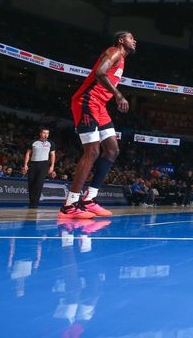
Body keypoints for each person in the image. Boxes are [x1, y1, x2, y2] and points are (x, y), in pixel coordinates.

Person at [60, 31, 136, 219]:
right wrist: (118, 95)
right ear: (120, 40)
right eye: (130, 37)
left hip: (99, 106)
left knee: (112, 149)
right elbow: (100, 72)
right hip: (86, 101)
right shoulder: (114, 52)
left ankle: (89, 199)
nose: (134, 41)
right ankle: (69, 205)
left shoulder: (122, 59)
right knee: (92, 151)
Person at [23, 128, 56, 209]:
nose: (46, 135)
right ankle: (31, 203)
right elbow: (28, 153)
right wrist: (25, 164)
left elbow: (52, 155)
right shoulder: (33, 142)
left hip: (44, 164)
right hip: (33, 164)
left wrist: (52, 166)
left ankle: (35, 204)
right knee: (31, 183)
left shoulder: (50, 143)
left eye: (47, 133)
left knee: (39, 184)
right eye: (44, 133)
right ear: (40, 133)